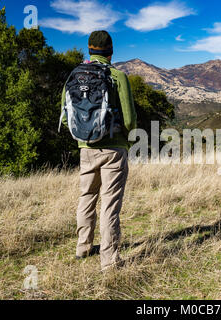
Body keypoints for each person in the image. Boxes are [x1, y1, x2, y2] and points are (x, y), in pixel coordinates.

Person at [61, 30, 137, 271]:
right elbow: (129, 120)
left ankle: (83, 247)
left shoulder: (74, 76)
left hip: (86, 149)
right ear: (111, 51)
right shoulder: (118, 76)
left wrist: (83, 136)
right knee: (110, 203)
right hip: (114, 149)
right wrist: (125, 139)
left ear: (89, 49)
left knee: (86, 197)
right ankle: (109, 260)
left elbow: (65, 117)